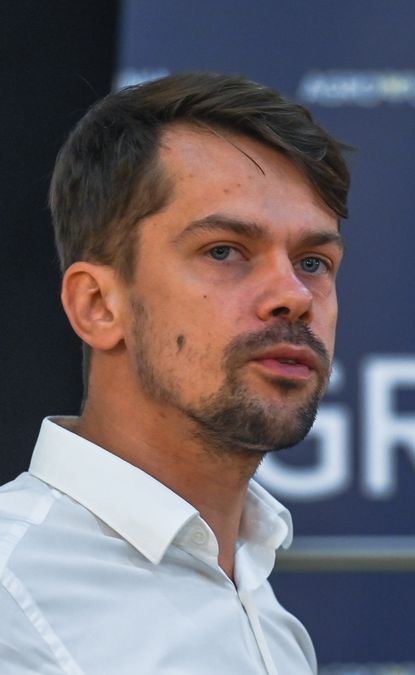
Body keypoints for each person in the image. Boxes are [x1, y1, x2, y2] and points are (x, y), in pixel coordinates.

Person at [0, 72, 350, 674]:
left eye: (313, 261)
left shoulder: (262, 605)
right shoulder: (12, 595)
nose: (292, 295)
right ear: (98, 306)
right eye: (224, 250)